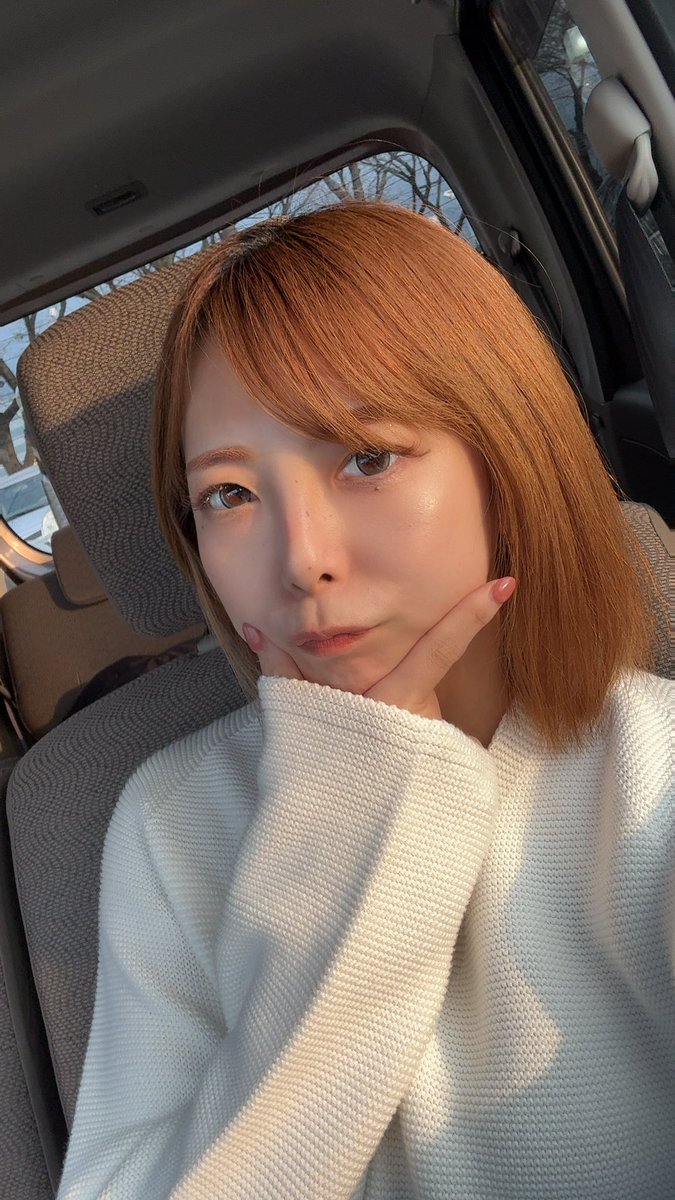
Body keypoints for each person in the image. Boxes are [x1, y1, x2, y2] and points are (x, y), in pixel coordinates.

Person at [56, 201, 674, 1200]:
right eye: (228, 494)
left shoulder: (653, 772)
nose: (302, 561)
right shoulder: (170, 826)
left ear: (505, 457)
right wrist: (355, 824)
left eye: (367, 457)